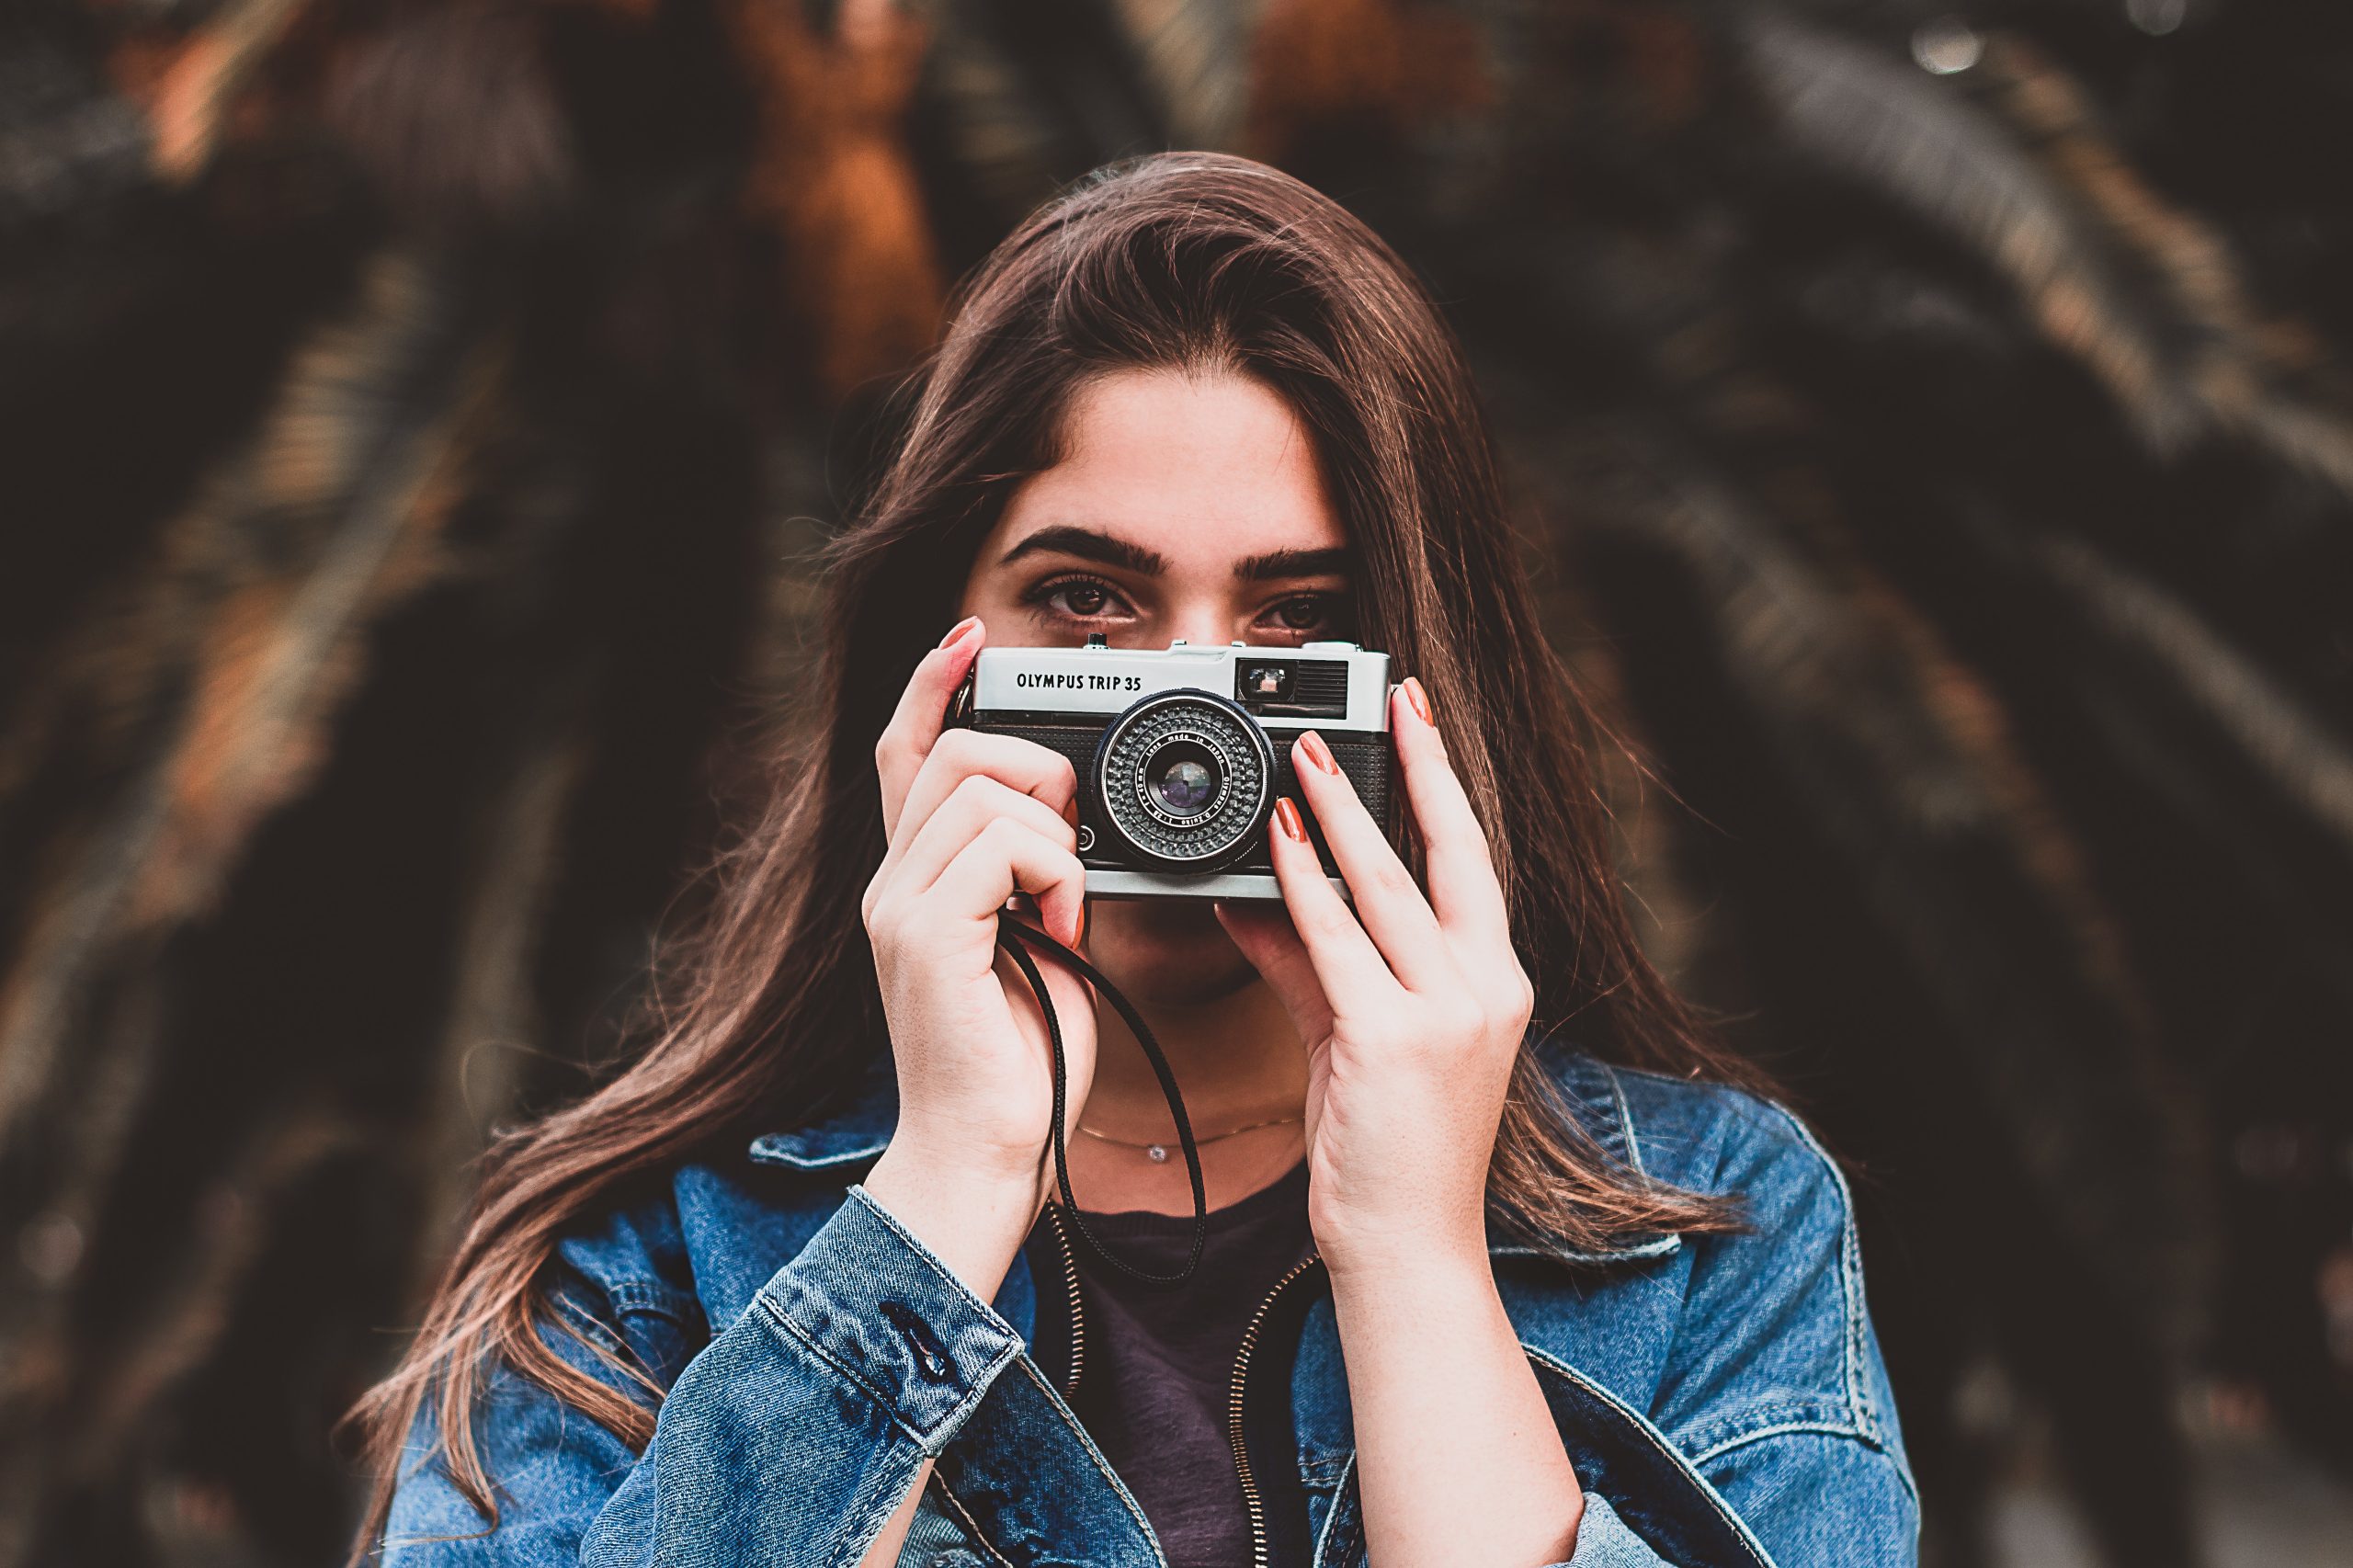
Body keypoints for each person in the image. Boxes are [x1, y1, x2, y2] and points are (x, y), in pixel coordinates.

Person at [350, 151, 1918, 1568]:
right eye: (1091, 603)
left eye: (1294, 619)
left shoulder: (1717, 1229)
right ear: (934, 657)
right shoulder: (640, 1262)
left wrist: (1419, 1254)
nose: (1190, 716)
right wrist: (944, 1189)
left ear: (1424, 678)